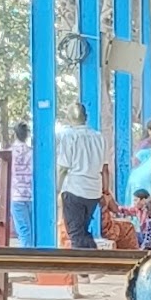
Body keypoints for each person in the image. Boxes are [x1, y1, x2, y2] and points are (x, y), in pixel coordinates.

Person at [56, 104, 106, 250]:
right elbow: (104, 167)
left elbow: (63, 168)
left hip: (74, 190)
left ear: (69, 118)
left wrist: (58, 189)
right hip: (93, 192)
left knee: (75, 234)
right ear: (86, 118)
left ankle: (83, 269)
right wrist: (105, 191)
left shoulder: (68, 136)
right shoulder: (99, 137)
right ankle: (93, 262)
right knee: (83, 230)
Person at [9, 120, 34, 246]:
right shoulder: (33, 152)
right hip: (31, 196)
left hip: (16, 196)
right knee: (33, 231)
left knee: (24, 231)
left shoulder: (9, 153)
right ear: (27, 135)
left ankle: (26, 257)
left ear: (14, 134)